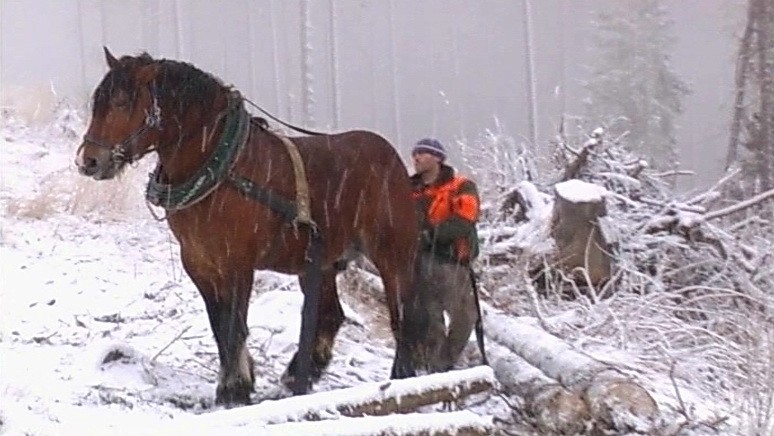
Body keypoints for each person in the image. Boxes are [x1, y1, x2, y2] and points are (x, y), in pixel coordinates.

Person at [409, 137, 484, 372]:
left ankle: (445, 361)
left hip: (452, 262)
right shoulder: (407, 189)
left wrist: (430, 236)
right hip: (419, 263)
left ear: (438, 158)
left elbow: (465, 220)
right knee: (430, 321)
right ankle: (436, 371)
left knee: (465, 317)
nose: (416, 158)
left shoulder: (462, 185)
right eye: (415, 154)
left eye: (422, 153)